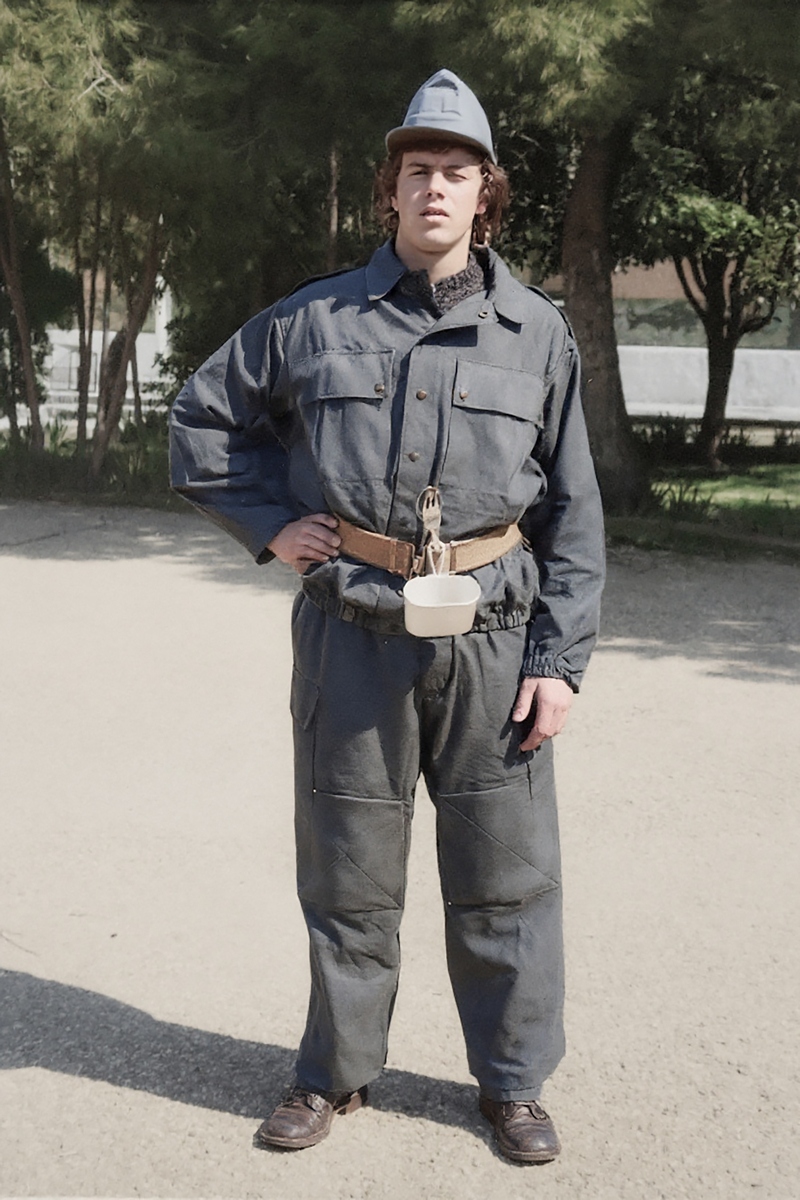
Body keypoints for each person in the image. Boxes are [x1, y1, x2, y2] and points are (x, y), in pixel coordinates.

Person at [170, 68, 605, 1164]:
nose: (434, 188)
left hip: (493, 640)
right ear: (391, 189)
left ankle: (512, 1085)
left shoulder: (536, 333)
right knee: (347, 869)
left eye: (456, 171)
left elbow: (572, 511)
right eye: (417, 170)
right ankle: (334, 1074)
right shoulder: (313, 319)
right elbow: (201, 420)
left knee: (507, 876)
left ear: (485, 192)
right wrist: (273, 526)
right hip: (352, 633)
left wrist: (558, 662)